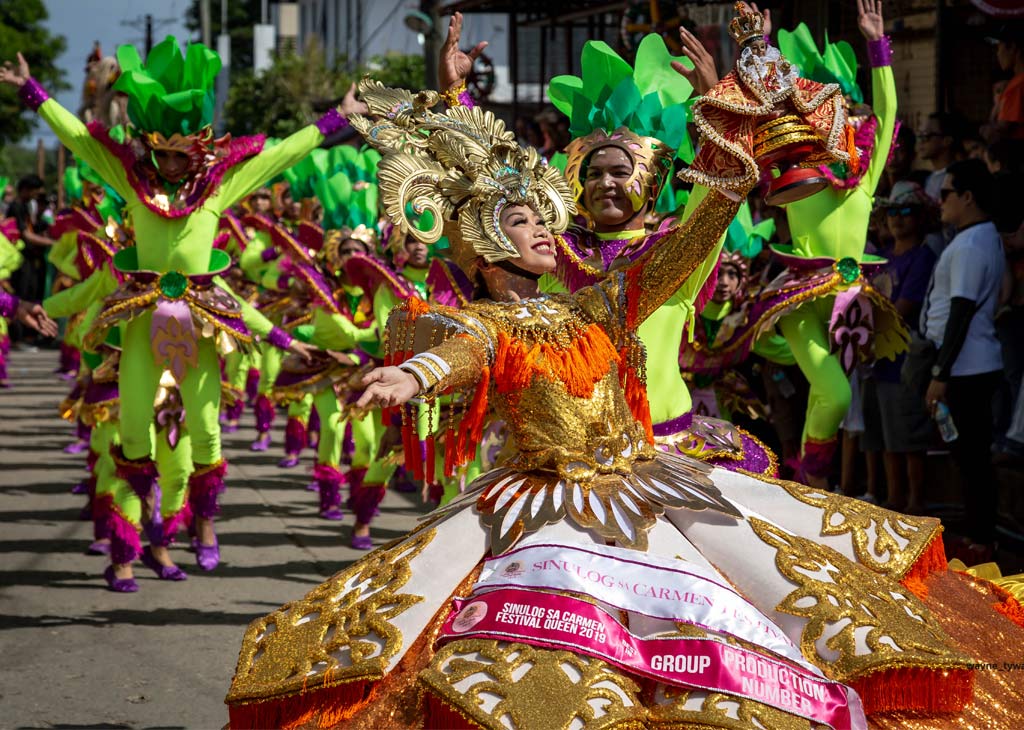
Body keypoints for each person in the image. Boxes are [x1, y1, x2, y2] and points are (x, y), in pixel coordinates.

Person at [224, 81, 1024, 730]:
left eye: (543, 216)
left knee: (738, 630)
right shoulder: (486, 322)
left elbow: (674, 255)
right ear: (491, 244)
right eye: (521, 221)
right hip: (547, 513)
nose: (542, 228)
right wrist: (414, 377)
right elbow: (462, 352)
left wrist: (727, 184)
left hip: (654, 483)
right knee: (571, 669)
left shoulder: (603, 302)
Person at [1, 37, 344, 579]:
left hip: (201, 322)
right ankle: (140, 537)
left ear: (200, 150)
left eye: (180, 154)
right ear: (151, 148)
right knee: (134, 430)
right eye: (161, 153)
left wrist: (334, 120)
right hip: (140, 320)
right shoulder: (134, 182)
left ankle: (204, 523)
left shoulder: (220, 185)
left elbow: (282, 154)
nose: (170, 164)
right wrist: (34, 93)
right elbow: (79, 140)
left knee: (205, 434)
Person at [922, 159, 1005, 559]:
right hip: (968, 364)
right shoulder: (978, 238)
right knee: (969, 455)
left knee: (972, 456)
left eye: (946, 193)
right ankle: (978, 530)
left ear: (968, 197)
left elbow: (961, 310)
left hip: (967, 368)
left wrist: (941, 372)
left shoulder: (973, 243)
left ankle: (981, 538)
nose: (940, 202)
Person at [860, 182, 939, 512]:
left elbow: (903, 307)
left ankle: (915, 509)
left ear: (922, 218)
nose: (897, 218)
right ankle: (894, 506)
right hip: (875, 362)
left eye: (906, 211)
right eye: (891, 211)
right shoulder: (882, 258)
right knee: (884, 441)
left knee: (909, 442)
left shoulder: (923, 257)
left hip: (905, 363)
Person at [918, 111, 968, 202]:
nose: (921, 141)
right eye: (920, 135)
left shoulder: (957, 178)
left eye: (926, 135)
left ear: (947, 141)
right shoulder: (927, 179)